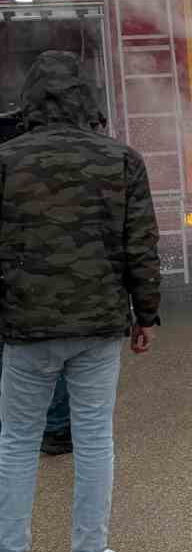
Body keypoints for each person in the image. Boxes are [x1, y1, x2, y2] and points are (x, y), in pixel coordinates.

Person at [0, 52, 160, 552]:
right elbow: (139, 243)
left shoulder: (6, 159)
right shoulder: (121, 159)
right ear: (87, 98)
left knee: (16, 442)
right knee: (94, 439)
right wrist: (147, 313)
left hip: (25, 326)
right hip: (97, 324)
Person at [0, 103, 73, 457]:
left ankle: (21, 429)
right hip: (39, 290)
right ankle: (57, 428)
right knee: (51, 360)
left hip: (16, 290)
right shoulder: (42, 176)